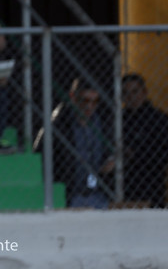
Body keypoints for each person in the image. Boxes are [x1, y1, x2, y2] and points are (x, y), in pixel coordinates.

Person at [34, 78, 112, 209]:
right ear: (73, 97)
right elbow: (40, 153)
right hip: (70, 194)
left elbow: (111, 149)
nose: (89, 106)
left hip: (98, 193)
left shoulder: (102, 122)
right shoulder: (59, 124)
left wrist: (109, 160)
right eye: (85, 100)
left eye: (95, 101)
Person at [120, 73, 168, 208]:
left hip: (152, 182)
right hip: (127, 183)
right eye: (126, 93)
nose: (131, 97)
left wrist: (136, 154)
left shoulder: (159, 120)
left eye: (135, 91)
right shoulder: (119, 120)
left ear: (144, 92)